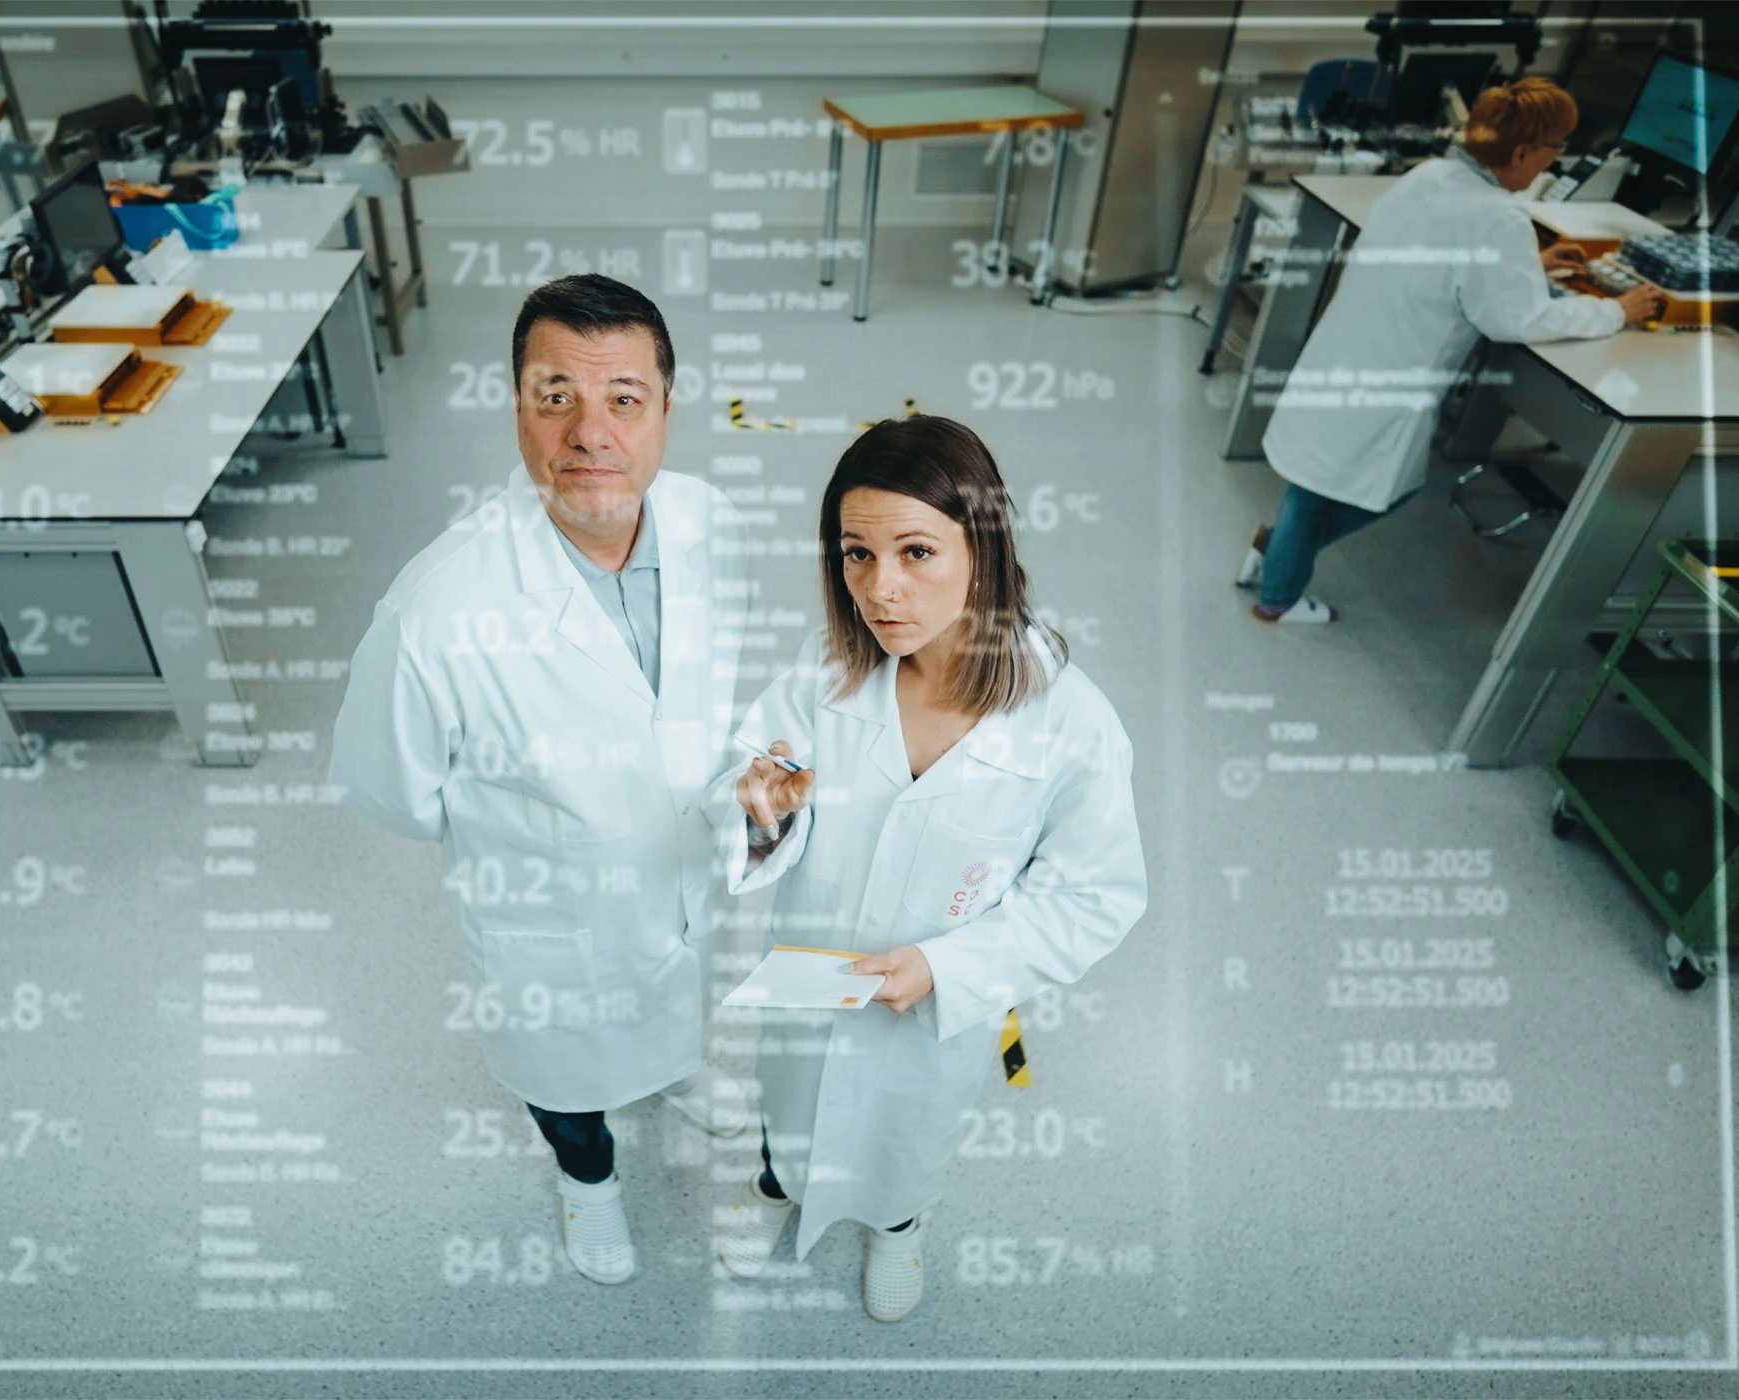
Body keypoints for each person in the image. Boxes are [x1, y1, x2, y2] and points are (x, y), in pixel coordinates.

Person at [330, 275, 748, 1286]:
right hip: (546, 921)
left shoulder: (706, 520)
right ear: (516, 404)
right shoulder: (439, 608)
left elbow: (703, 697)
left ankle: (672, 1070)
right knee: (567, 1072)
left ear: (666, 410)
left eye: (625, 399)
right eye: (555, 394)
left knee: (681, 991)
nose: (590, 431)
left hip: (687, 873)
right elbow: (392, 790)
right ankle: (587, 1178)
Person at [701, 416, 1147, 1322]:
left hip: (938, 1004)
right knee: (789, 1103)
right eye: (855, 556)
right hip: (814, 972)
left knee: (909, 1132)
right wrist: (756, 805)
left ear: (981, 547)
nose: (881, 589)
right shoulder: (828, 669)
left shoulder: (1070, 724)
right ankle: (777, 1187)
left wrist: (950, 968)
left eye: (915, 552)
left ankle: (899, 1226)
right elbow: (751, 764)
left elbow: (1092, 895)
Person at [1241, 76, 1663, 623]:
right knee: (1361, 489)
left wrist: (1529, 265)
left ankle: (1272, 555)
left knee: (1319, 477)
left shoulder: (1429, 176)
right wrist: (1618, 311)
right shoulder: (1499, 216)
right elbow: (1516, 318)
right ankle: (1279, 596)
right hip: (1392, 374)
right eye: (1555, 150)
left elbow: (1445, 266)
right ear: (1521, 152)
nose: (1554, 163)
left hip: (1350, 348)